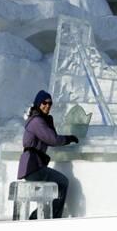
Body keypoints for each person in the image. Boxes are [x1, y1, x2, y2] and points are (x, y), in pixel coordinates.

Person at [17, 90, 79, 219]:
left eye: (50, 103)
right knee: (62, 183)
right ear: (38, 104)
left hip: (33, 166)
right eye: (44, 103)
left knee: (53, 190)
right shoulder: (37, 121)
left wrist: (49, 121)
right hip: (32, 167)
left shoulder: (40, 120)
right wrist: (69, 138)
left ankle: (36, 218)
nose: (47, 106)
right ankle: (51, 218)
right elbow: (53, 139)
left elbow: (50, 137)